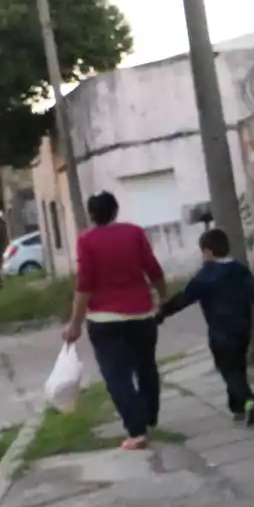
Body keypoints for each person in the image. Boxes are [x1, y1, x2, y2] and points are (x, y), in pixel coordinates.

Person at [64, 191, 168, 451]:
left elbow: (85, 284)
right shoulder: (134, 233)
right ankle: (150, 416)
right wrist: (163, 297)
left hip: (104, 319)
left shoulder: (87, 240)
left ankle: (136, 430)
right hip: (141, 313)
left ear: (91, 214)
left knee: (116, 374)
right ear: (116, 210)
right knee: (146, 366)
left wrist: (75, 323)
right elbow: (153, 269)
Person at [157, 228, 254, 425]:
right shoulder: (239, 269)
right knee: (237, 367)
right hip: (243, 328)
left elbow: (184, 297)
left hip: (220, 332)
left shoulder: (204, 276)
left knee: (227, 369)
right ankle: (236, 407)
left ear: (208, 252)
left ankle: (249, 402)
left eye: (203, 252)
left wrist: (162, 313)